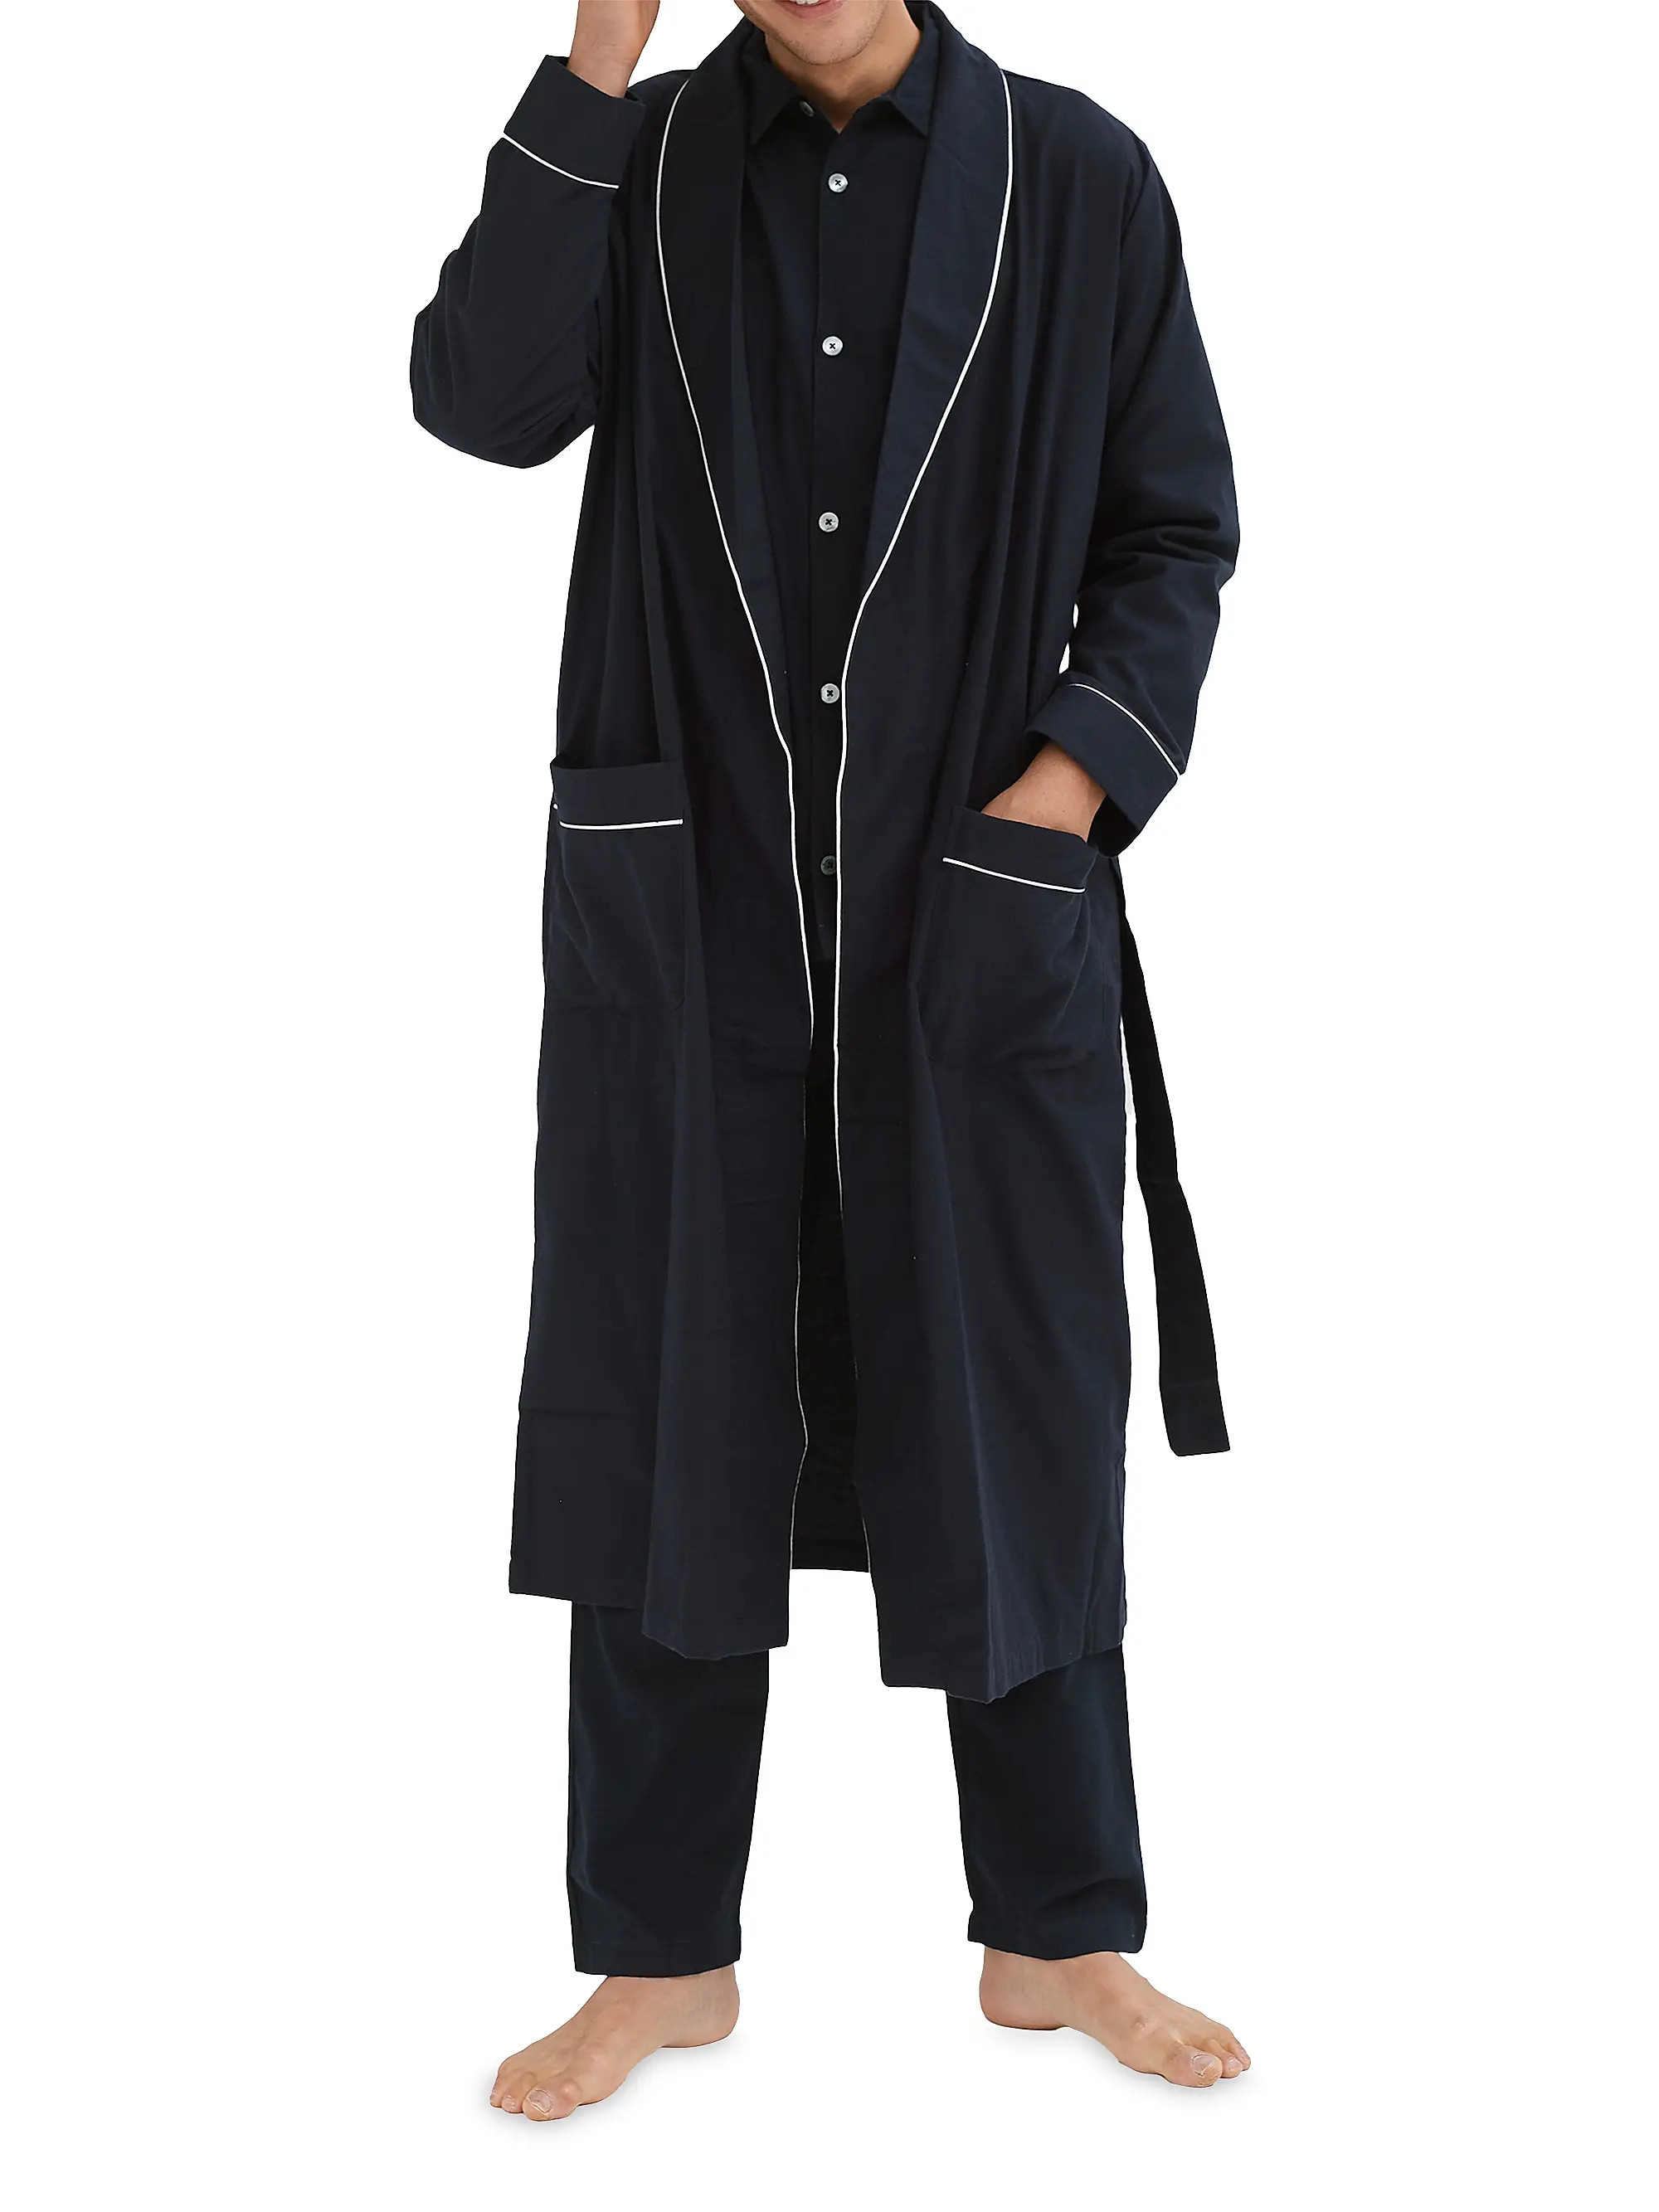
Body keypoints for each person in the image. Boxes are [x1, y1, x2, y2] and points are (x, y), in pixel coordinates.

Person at [412, 0, 1247, 2117]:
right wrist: (593, 67)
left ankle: (1059, 1930)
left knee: (1012, 1386)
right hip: (687, 894)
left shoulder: (1076, 175)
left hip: (971, 904)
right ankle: (656, 1956)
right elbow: (483, 401)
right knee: (670, 1384)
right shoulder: (646, 160)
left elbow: (1171, 527)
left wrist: (1060, 795)